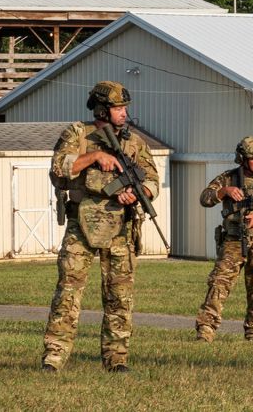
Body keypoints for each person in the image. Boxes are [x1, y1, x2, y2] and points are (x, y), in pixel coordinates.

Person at [42, 80, 159, 373]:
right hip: (81, 224)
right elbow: (58, 169)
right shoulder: (78, 134)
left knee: (120, 296)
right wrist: (95, 156)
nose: (124, 113)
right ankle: (54, 356)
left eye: (124, 108)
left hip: (120, 227)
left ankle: (116, 358)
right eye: (118, 107)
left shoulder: (135, 143)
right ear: (102, 109)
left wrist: (138, 193)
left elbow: (153, 181)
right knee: (68, 292)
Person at [195, 136, 253, 342]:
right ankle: (206, 330)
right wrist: (224, 191)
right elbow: (205, 198)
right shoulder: (228, 178)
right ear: (242, 158)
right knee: (219, 284)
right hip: (233, 240)